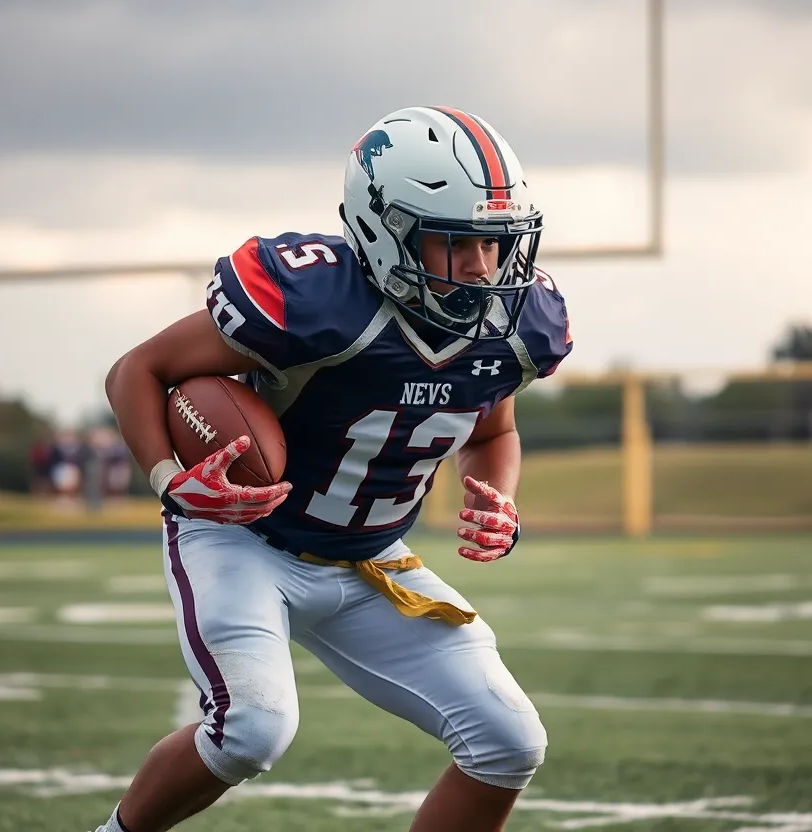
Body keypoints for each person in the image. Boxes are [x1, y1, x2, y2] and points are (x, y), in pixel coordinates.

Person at [99, 106, 572, 832]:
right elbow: (139, 368)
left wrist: (499, 496)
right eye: (455, 242)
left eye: (494, 243)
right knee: (252, 729)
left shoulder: (517, 326)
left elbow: (495, 428)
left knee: (510, 742)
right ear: (385, 230)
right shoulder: (315, 301)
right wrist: (169, 477)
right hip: (246, 542)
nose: (483, 267)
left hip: (371, 557)